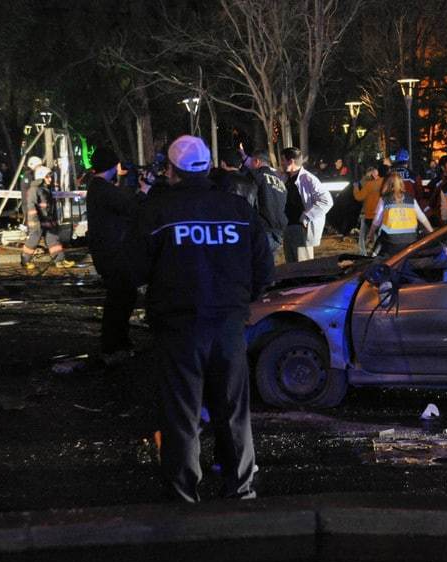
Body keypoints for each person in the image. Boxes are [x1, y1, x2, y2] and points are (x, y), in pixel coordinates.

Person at [126, 135, 274, 502]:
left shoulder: (157, 212)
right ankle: (240, 488)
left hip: (178, 328)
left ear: (171, 170)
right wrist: (240, 303)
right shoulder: (238, 211)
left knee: (182, 414)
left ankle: (184, 496)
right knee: (233, 411)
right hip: (228, 325)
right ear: (208, 167)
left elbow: (132, 270)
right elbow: (264, 269)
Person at [86, 147, 139, 364]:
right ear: (111, 166)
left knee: (120, 298)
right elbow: (129, 206)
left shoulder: (97, 188)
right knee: (121, 299)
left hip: (107, 252)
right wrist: (142, 190)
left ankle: (117, 343)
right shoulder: (103, 190)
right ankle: (113, 345)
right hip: (113, 253)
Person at [280, 147, 333, 262]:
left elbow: (327, 201)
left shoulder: (309, 179)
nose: (281, 163)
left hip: (301, 229)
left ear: (291, 161)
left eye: (283, 160)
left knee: (304, 268)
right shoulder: (285, 177)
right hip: (288, 227)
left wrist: (307, 216)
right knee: (291, 266)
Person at [367, 172, 433, 257]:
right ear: (401, 183)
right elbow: (422, 217)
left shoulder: (384, 199)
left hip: (390, 242)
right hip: (411, 241)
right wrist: (431, 232)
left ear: (387, 184)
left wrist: (371, 234)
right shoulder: (411, 199)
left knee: (376, 254)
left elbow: (377, 221)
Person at [21, 166, 74, 269]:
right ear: (41, 178)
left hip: (46, 220)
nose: (50, 179)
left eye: (50, 177)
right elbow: (31, 206)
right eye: (47, 177)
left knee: (53, 239)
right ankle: (25, 261)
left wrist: (52, 220)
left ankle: (60, 261)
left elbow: (48, 208)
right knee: (34, 239)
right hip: (37, 221)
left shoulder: (46, 189)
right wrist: (35, 222)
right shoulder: (34, 190)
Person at [244, 150, 287, 256]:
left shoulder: (256, 176)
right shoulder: (279, 180)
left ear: (257, 161)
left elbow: (248, 200)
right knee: (269, 267)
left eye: (252, 162)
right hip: (279, 232)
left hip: (263, 230)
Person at [353, 166, 383, 256]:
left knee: (362, 235)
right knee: (378, 235)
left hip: (368, 214)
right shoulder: (383, 182)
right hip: (380, 214)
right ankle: (377, 252)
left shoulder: (368, 184)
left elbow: (359, 197)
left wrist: (355, 187)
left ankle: (363, 253)